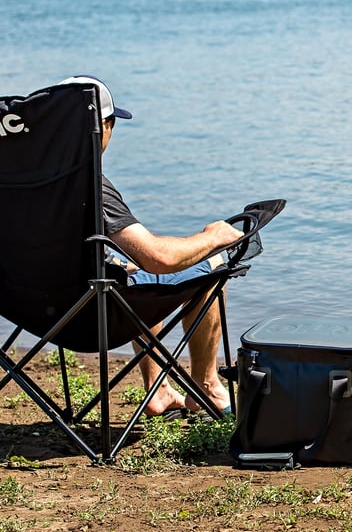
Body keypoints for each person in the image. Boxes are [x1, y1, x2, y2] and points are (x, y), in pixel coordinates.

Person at [60, 76, 243, 417]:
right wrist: (214, 237)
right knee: (210, 263)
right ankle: (207, 388)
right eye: (111, 122)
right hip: (91, 315)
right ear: (102, 126)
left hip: (42, 315)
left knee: (125, 266)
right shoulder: (89, 184)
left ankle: (158, 389)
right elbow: (159, 258)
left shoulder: (15, 185)